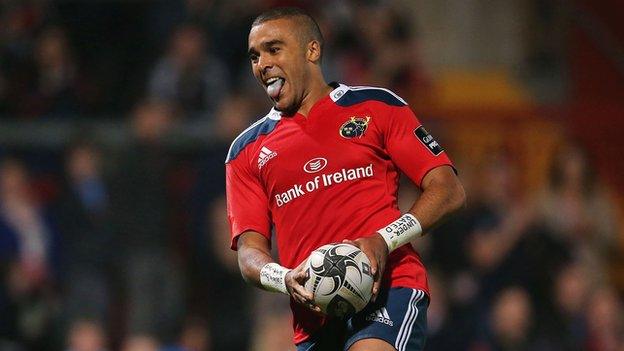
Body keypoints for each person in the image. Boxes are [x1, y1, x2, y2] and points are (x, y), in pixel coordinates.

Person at [225, 7, 465, 351]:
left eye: (273, 49)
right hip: (314, 316)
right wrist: (284, 277)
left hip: (389, 289)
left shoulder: (377, 107)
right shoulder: (245, 151)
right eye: (254, 55)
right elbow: (249, 254)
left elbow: (449, 190)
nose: (262, 64)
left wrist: (382, 241)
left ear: (312, 50)